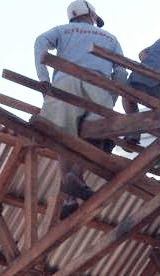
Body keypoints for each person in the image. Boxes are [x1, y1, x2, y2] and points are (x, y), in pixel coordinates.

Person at [34, 1, 127, 218]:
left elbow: (40, 42)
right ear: (91, 16)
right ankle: (75, 176)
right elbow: (121, 72)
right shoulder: (110, 38)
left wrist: (43, 79)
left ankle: (69, 198)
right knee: (96, 136)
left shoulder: (62, 30)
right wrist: (111, 96)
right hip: (99, 85)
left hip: (64, 82)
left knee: (63, 138)